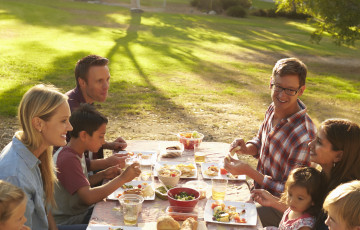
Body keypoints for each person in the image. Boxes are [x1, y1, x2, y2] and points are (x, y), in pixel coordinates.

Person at [225, 58, 316, 226]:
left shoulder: (304, 136)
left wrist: (249, 172)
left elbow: (293, 191)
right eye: (278, 87)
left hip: (281, 209)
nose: (281, 95)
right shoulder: (274, 107)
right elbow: (260, 141)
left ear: (301, 91)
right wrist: (247, 148)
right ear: (271, 83)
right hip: (258, 193)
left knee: (228, 218)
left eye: (290, 90)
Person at [251, 119, 360, 229]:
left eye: (319, 142)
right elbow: (306, 213)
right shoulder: (322, 176)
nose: (310, 144)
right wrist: (273, 201)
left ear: (338, 156)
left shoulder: (344, 196)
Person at [52, 104, 141, 225]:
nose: (104, 141)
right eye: (100, 136)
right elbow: (88, 197)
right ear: (84, 135)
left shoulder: (76, 151)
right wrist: (123, 178)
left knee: (122, 213)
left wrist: (103, 174)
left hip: (79, 213)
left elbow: (80, 184)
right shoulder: (68, 159)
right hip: (67, 222)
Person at [0, 84, 73, 230]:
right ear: (38, 123)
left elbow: (45, 210)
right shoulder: (16, 175)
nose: (70, 127)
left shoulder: (35, 152)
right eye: (63, 121)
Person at [66, 54, 127, 159]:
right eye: (99, 81)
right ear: (82, 82)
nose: (106, 86)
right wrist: (108, 162)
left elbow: (86, 141)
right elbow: (71, 160)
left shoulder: (87, 100)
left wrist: (108, 145)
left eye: (107, 79)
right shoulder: (71, 110)